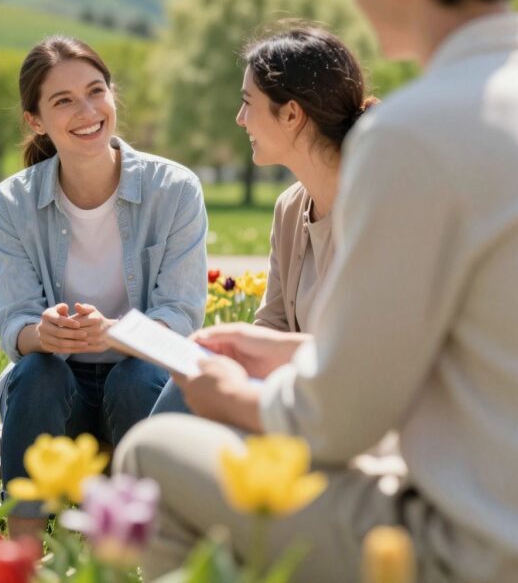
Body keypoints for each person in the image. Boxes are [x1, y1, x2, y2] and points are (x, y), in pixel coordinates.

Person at [116, 0, 518, 582]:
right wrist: (288, 353)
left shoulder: (414, 134)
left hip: (482, 548)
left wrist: (230, 394)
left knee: (150, 455)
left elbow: (336, 423)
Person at [0, 35, 208, 539]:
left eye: (95, 91)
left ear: (112, 95)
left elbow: (180, 317)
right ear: (36, 120)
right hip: (55, 401)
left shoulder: (173, 190)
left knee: (137, 374)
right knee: (37, 370)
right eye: (63, 101)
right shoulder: (14, 202)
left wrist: (114, 334)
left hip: (141, 394)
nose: (86, 111)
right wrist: (42, 334)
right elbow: (14, 322)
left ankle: (149, 546)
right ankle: (19, 554)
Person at [152, 26, 375, 415]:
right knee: (193, 377)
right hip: (299, 399)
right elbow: (272, 324)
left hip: (353, 414)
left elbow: (371, 352)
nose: (240, 119)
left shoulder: (379, 207)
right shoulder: (290, 208)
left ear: (291, 114)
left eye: (247, 102)